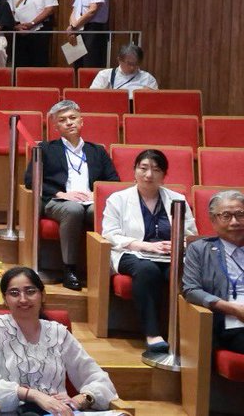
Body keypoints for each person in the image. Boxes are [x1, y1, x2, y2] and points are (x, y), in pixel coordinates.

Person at [0, 267, 119, 416]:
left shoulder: (57, 332)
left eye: (30, 291)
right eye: (14, 293)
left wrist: (81, 399)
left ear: (43, 295)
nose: (23, 299)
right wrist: (34, 395)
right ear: (5, 299)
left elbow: (97, 378)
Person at [102, 149, 196, 353]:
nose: (149, 175)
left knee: (182, 273)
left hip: (169, 255)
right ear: (134, 171)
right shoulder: (118, 199)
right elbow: (110, 235)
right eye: (143, 168)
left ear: (164, 175)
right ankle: (152, 334)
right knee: (147, 270)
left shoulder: (177, 199)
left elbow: (190, 233)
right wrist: (145, 245)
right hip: (131, 253)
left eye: (156, 169)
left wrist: (177, 244)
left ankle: (188, 333)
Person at [25, 100, 119, 290]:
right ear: (56, 126)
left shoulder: (97, 151)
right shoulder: (46, 149)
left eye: (73, 118)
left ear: (81, 121)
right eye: (62, 120)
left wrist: (95, 194)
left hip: (90, 201)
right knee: (73, 209)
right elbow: (30, 180)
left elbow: (113, 181)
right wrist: (62, 193)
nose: (69, 123)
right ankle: (69, 269)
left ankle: (106, 268)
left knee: (102, 211)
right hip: (58, 201)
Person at [182, 190, 244, 353]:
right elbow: (191, 290)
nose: (235, 222)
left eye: (240, 215)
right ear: (213, 220)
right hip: (228, 322)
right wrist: (233, 309)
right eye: (226, 216)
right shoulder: (200, 249)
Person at [89, 43, 158, 98]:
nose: (132, 67)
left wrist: (149, 94)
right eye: (129, 63)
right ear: (119, 60)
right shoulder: (105, 75)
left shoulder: (148, 78)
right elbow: (92, 97)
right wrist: (105, 94)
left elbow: (156, 102)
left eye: (136, 64)